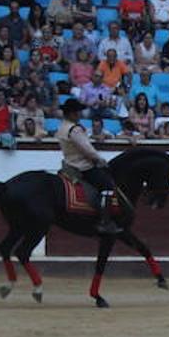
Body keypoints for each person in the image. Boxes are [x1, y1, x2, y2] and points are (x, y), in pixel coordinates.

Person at [56, 97, 122, 235]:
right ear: (72, 113)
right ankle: (105, 221)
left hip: (69, 164)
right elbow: (87, 149)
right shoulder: (75, 129)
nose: (80, 114)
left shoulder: (62, 127)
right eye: (78, 112)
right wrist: (100, 160)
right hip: (83, 166)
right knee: (107, 185)